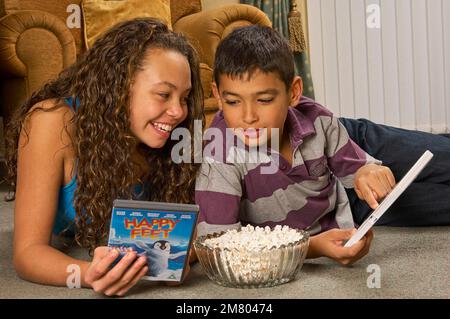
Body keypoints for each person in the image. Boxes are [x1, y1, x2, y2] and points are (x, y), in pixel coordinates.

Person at [195, 25, 450, 266]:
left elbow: (355, 167)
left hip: (348, 143)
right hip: (350, 207)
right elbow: (219, 247)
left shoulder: (318, 118)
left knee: (442, 155)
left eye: (263, 100)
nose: (248, 116)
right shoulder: (220, 156)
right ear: (218, 96)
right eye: (233, 102)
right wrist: (312, 247)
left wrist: (366, 170)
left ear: (293, 92)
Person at [5, 18, 203, 296]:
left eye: (184, 97)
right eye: (163, 94)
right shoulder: (51, 122)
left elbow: (199, 230)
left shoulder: (174, 137)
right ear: (119, 85)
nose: (178, 111)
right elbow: (27, 254)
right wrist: (90, 274)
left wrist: (184, 257)